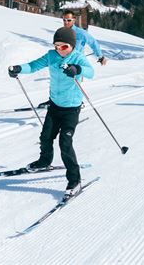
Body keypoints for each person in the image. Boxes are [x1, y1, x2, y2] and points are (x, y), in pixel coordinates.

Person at [8, 27, 94, 198]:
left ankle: (75, 180)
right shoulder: (51, 56)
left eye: (63, 47)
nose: (59, 50)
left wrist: (77, 69)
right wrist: (18, 68)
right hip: (55, 105)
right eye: (56, 46)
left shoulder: (77, 57)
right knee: (46, 136)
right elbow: (33, 66)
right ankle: (44, 161)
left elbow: (91, 72)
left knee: (65, 142)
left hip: (71, 108)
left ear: (71, 46)